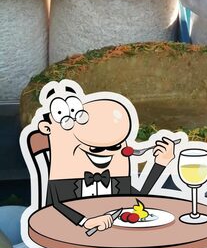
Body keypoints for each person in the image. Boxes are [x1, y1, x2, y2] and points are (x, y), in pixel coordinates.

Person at [36, 82, 176, 232]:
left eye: (115, 146)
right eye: (95, 148)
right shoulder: (64, 175)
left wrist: (160, 164)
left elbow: (137, 202)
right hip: (66, 237)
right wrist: (84, 221)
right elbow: (54, 208)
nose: (106, 153)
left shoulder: (116, 176)